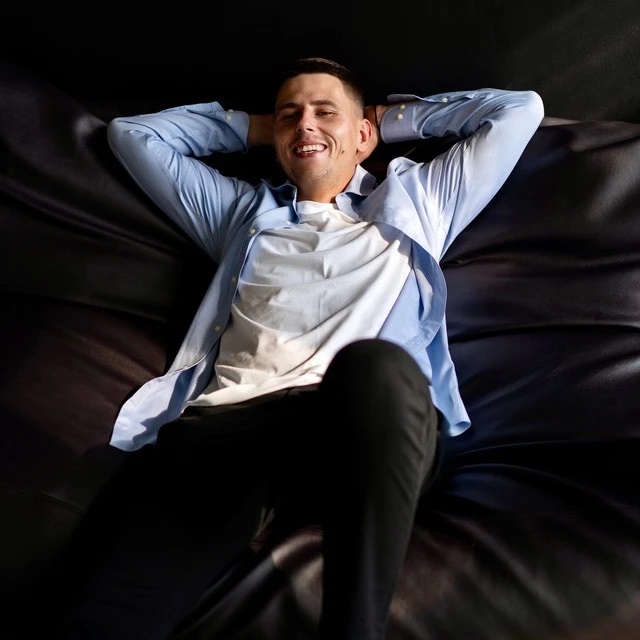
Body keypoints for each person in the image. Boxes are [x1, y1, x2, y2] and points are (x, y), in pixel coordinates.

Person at [54, 57, 544, 639]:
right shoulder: (241, 214)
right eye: (290, 114)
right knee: (103, 618)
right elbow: (133, 136)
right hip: (231, 429)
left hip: (366, 423)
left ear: (363, 135)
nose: (305, 124)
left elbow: (518, 110)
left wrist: (384, 121)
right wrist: (259, 127)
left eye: (324, 112)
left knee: (372, 366)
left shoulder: (420, 200)